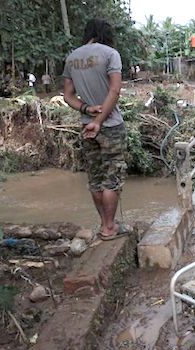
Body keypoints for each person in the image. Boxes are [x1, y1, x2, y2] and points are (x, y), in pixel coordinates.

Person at [63, 18, 129, 241]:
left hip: (86, 126)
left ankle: (103, 224)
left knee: (95, 179)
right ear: (105, 34)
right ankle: (110, 228)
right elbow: (115, 90)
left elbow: (68, 96)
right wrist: (100, 120)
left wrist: (86, 109)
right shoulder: (110, 54)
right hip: (109, 126)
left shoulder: (72, 58)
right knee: (112, 179)